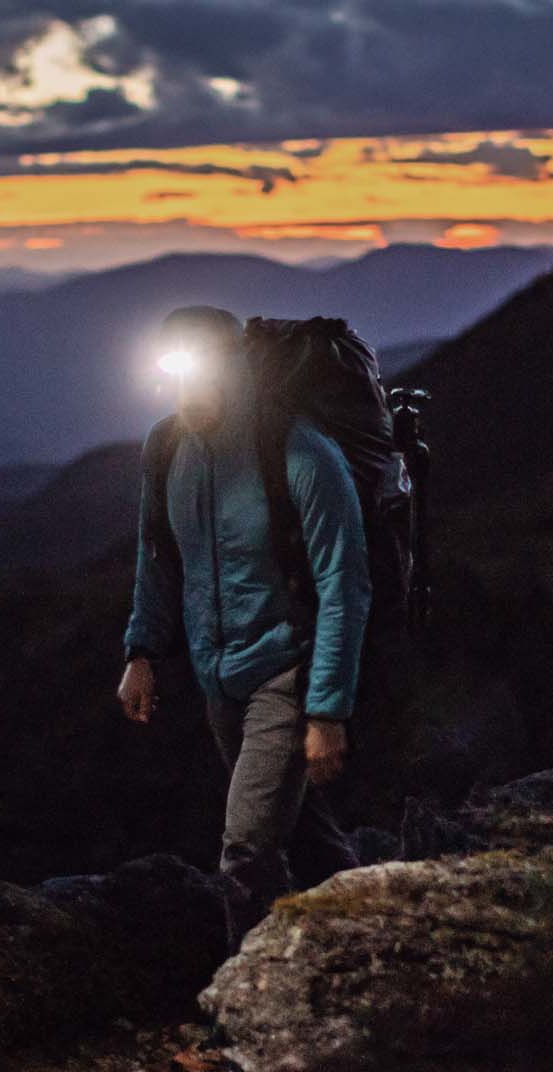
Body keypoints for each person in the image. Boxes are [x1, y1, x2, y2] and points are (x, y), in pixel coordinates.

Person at [118, 303, 368, 946]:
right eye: (172, 375)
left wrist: (328, 711)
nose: (185, 391)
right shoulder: (166, 447)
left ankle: (246, 1003)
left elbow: (345, 584)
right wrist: (142, 652)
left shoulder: (299, 451)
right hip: (217, 680)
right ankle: (376, 938)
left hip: (287, 671)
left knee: (247, 850)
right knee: (306, 836)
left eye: (199, 373)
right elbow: (156, 555)